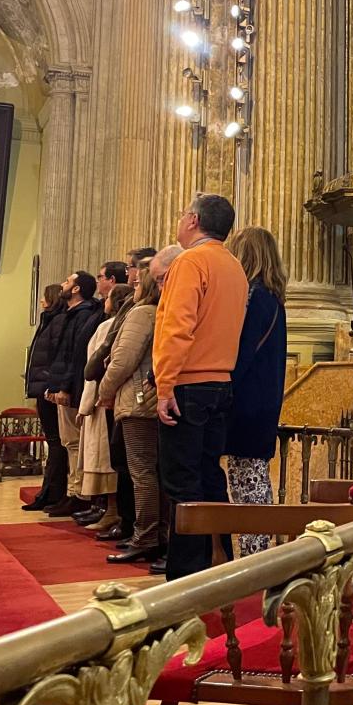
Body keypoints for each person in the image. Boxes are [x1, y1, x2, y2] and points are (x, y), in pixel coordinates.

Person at [154, 194, 249, 579]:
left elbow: (177, 327)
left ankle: (185, 575)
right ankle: (218, 561)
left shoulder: (191, 261)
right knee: (211, 475)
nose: (179, 221)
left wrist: (164, 386)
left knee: (181, 482)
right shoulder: (235, 267)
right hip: (221, 383)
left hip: (187, 386)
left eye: (181, 215)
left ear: (193, 220)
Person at [224, 226, 288, 558]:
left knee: (248, 479)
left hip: (248, 401)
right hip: (262, 400)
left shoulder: (254, 296)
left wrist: (222, 385)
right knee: (251, 475)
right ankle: (257, 550)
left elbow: (242, 351)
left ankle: (256, 555)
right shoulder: (272, 297)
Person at [98, 270, 165, 563]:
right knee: (151, 472)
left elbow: (123, 359)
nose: (133, 286)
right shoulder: (160, 310)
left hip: (138, 401)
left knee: (142, 473)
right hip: (150, 399)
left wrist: (104, 389)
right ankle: (154, 534)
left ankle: (146, 536)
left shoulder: (142, 314)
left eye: (137, 282)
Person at [42, 271, 105, 517]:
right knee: (69, 442)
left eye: (68, 281)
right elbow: (60, 354)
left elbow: (74, 355)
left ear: (77, 289)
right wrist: (54, 384)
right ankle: (72, 492)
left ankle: (79, 494)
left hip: (72, 387)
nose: (62, 284)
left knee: (74, 443)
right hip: (61, 384)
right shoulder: (70, 314)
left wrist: (64, 386)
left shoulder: (84, 315)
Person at [77, 285, 132, 529]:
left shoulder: (110, 327)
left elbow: (97, 368)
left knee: (108, 461)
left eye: (108, 297)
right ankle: (104, 509)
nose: (104, 300)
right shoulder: (107, 325)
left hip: (104, 399)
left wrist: (86, 404)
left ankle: (113, 512)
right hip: (107, 397)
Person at [23, 284, 69, 511]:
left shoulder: (58, 321)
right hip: (43, 385)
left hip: (49, 387)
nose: (41, 300)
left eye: (44, 296)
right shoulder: (49, 320)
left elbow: (56, 355)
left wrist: (48, 380)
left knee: (56, 441)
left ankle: (53, 493)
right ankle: (48, 492)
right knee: (54, 441)